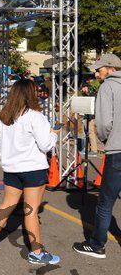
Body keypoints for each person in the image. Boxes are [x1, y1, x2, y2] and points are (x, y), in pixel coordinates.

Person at [0, 79, 61, 265]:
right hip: (33, 168)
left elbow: (2, 144)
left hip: (11, 168)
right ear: (30, 94)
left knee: (6, 205)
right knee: (31, 211)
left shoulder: (4, 115)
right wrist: (53, 133)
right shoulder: (35, 116)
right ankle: (37, 253)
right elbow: (46, 145)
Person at [73, 54, 121, 259]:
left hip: (117, 150)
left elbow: (103, 123)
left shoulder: (108, 87)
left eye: (99, 69)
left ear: (111, 68)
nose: (96, 73)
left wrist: (105, 138)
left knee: (105, 202)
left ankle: (97, 245)